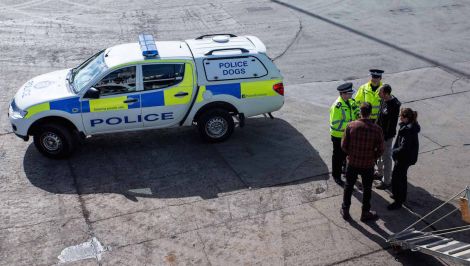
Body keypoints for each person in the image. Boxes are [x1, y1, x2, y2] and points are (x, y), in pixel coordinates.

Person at [341, 102, 384, 221]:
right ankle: (365, 213)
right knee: (367, 188)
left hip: (353, 163)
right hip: (368, 164)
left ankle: (345, 210)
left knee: (349, 186)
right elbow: (381, 149)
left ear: (360, 112)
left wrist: (351, 154)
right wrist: (373, 157)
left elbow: (344, 145)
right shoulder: (377, 129)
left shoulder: (351, 126)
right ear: (370, 113)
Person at [388, 108, 420, 210]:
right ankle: (401, 196)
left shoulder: (408, 130)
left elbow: (404, 147)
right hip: (405, 158)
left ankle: (398, 201)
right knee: (402, 177)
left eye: (401, 116)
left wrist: (393, 151)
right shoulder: (408, 127)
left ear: (406, 118)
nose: (400, 118)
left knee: (397, 179)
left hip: (403, 159)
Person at [329, 82, 359, 186]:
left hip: (346, 134)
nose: (351, 95)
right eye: (350, 93)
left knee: (345, 155)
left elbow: (354, 112)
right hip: (338, 135)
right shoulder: (337, 106)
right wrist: (351, 124)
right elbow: (335, 123)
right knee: (337, 156)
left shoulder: (349, 101)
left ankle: (344, 170)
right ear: (343, 94)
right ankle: (336, 176)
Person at [375, 84, 401, 189]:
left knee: (386, 157)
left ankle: (386, 181)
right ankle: (379, 172)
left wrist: (385, 135)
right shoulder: (383, 100)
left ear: (386, 94)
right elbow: (379, 115)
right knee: (379, 155)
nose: (378, 93)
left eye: (380, 92)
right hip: (379, 133)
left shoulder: (393, 105)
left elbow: (390, 124)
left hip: (386, 136)